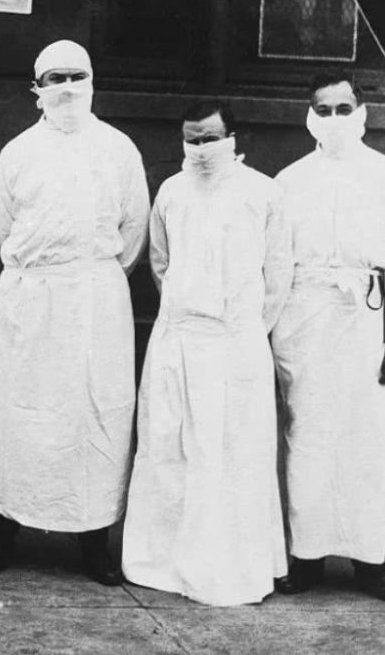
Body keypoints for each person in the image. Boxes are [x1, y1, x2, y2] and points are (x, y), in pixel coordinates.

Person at [0, 39, 149, 584]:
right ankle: (6, 528)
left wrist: (87, 275)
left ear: (92, 81)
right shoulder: (18, 152)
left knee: (94, 415)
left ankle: (93, 539)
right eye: (56, 78)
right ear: (37, 88)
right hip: (33, 299)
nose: (68, 88)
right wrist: (45, 275)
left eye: (77, 76)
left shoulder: (118, 149)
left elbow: (134, 231)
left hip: (95, 300)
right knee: (23, 416)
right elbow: (2, 228)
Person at [122, 101, 293, 606]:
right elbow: (161, 263)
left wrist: (244, 330)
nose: (200, 149)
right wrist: (185, 314)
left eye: (210, 139)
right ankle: (164, 562)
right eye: (192, 140)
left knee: (235, 453)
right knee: (171, 449)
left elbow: (277, 275)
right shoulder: (171, 192)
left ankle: (233, 566)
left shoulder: (263, 192)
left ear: (233, 138)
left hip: (236, 343)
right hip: (178, 339)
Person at [272, 74, 385, 600]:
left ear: (362, 111)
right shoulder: (289, 182)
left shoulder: (382, 174)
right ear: (309, 115)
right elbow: (276, 265)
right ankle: (308, 554)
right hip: (306, 318)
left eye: (344, 108)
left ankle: (371, 559)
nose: (335, 119)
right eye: (324, 109)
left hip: (366, 317)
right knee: (309, 435)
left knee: (368, 438)